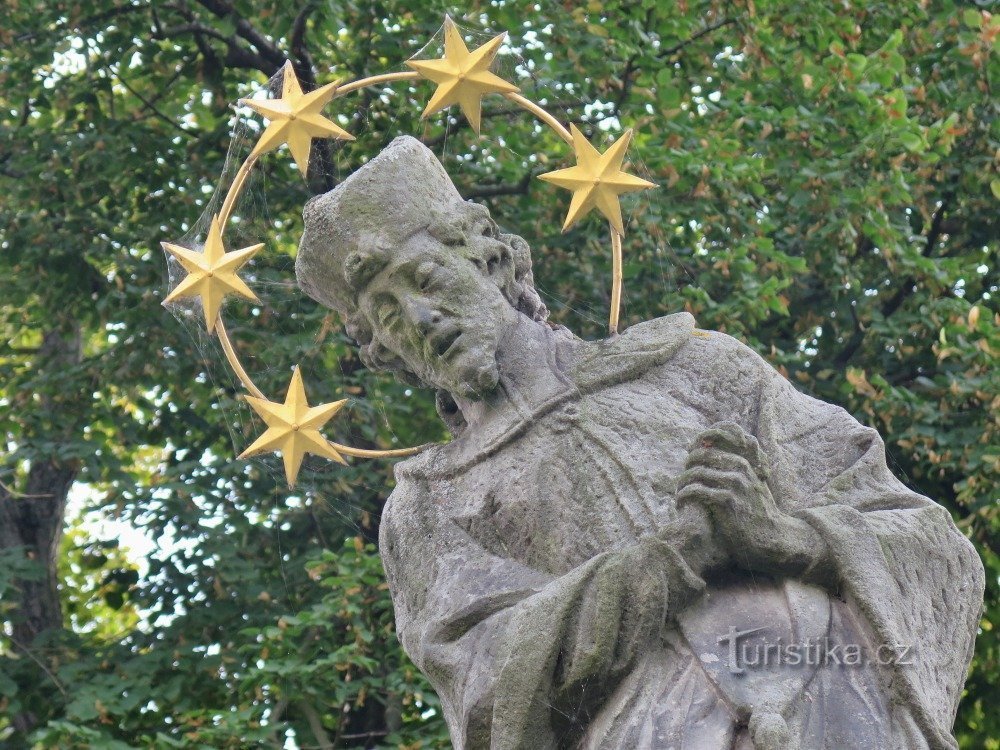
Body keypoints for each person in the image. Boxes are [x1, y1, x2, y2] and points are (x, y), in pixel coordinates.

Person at [295, 136, 984, 750]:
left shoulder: (698, 369)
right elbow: (489, 686)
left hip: (838, 710)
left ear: (491, 261)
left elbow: (923, 537)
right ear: (386, 352)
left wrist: (786, 536)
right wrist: (668, 562)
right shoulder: (426, 510)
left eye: (426, 280)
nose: (419, 318)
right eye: (387, 315)